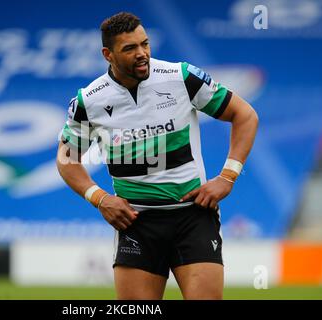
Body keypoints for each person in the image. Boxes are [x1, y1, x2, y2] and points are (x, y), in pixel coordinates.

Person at [56, 12, 258, 300]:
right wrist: (99, 198)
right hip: (136, 222)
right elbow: (66, 158)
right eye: (130, 48)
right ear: (107, 54)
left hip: (193, 216)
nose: (142, 54)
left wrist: (228, 176)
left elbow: (245, 115)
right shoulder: (90, 101)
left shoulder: (181, 77)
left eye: (145, 44)